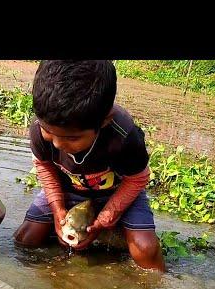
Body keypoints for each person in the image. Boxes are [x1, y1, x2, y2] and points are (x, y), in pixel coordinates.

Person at [13, 60, 165, 272]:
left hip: (117, 193)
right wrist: (57, 208)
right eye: (50, 133)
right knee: (25, 238)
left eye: (72, 138)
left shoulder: (123, 135)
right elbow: (45, 167)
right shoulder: (39, 128)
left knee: (146, 249)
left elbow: (137, 178)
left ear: (104, 121)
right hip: (67, 189)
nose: (58, 144)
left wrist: (108, 216)